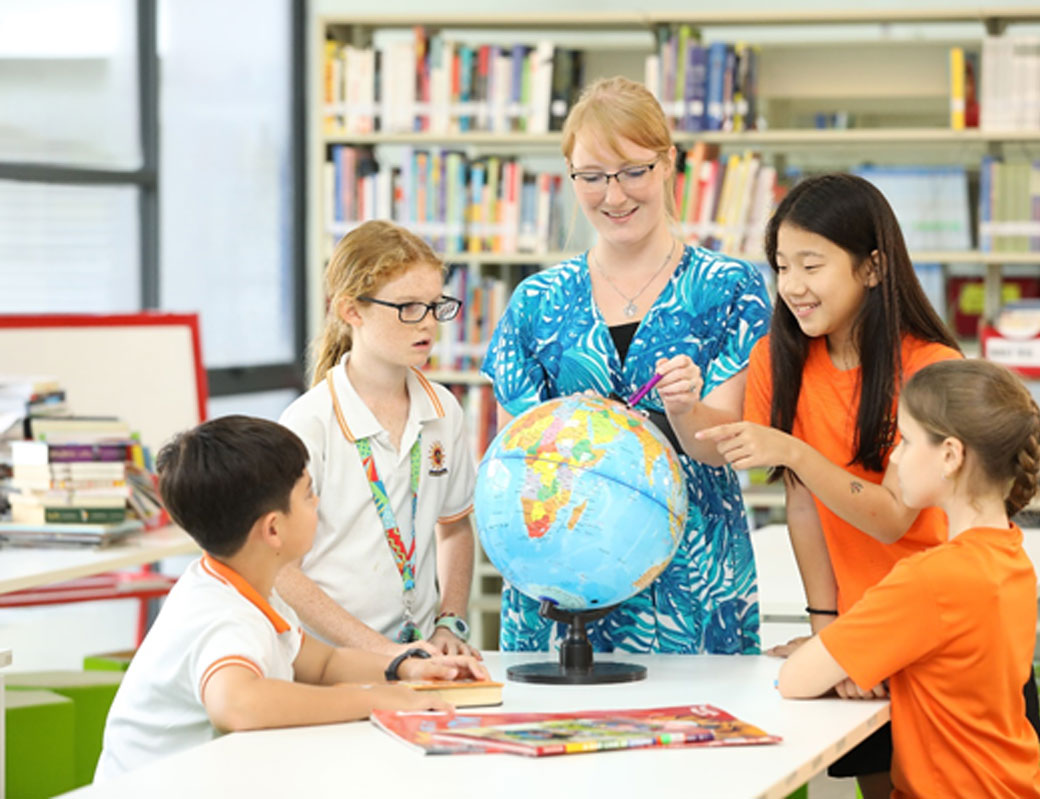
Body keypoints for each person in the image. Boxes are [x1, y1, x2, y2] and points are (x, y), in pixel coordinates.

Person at [695, 173, 1040, 798]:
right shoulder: (780, 355)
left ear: (873, 267)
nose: (793, 286)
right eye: (781, 267)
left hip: (938, 623)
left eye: (812, 264)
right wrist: (832, 632)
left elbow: (890, 518)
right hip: (871, 632)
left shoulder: (930, 368)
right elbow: (803, 506)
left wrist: (794, 449)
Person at [481, 76, 772, 654]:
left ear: (669, 163)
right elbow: (515, 464)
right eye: (591, 178)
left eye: (633, 171)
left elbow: (725, 447)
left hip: (691, 578)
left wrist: (687, 409)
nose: (614, 197)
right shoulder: (536, 303)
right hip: (560, 579)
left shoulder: (728, 289)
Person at [94, 416, 488, 780]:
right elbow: (238, 705)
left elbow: (322, 663)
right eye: (308, 494)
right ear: (273, 531)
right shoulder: (222, 615)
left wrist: (405, 669)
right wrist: (373, 700)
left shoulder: (247, 584)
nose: (318, 503)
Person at [775, 359, 1040, 799]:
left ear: (950, 455)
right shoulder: (1010, 555)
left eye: (904, 441)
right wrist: (865, 659)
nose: (894, 456)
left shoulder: (931, 579)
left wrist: (849, 659)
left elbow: (794, 680)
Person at [278, 220, 478, 658]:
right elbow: (282, 572)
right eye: (408, 308)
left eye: (434, 305)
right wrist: (381, 653)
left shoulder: (444, 409)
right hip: (328, 661)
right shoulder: (309, 423)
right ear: (352, 311)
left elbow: (456, 527)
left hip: (417, 656)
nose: (428, 325)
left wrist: (450, 623)